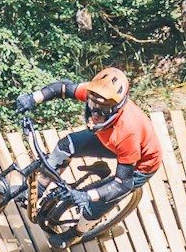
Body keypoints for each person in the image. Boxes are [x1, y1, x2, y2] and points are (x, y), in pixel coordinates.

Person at [15, 67, 163, 219]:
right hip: (110, 139)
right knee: (66, 146)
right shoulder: (95, 93)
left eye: (103, 109)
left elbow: (122, 184)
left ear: (117, 108)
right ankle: (39, 189)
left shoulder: (128, 132)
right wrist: (32, 98)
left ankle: (78, 230)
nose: (95, 112)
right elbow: (62, 89)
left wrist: (87, 196)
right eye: (93, 105)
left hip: (142, 161)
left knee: (92, 209)